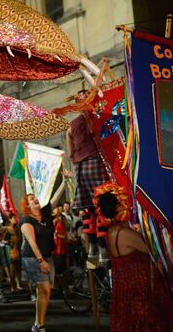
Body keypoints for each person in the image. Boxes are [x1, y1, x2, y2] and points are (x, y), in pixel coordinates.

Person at [93, 182, 173, 332]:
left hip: (128, 290)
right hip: (139, 290)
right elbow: (155, 251)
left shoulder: (113, 232)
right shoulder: (123, 233)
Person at [19, 172, 67, 332]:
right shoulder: (26, 221)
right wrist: (41, 261)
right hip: (33, 258)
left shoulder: (45, 214)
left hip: (47, 256)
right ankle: (40, 325)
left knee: (44, 292)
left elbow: (55, 199)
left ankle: (38, 323)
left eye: (35, 198)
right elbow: (32, 242)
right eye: (32, 199)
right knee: (44, 289)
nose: (36, 199)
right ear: (27, 206)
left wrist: (65, 181)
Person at [66, 94, 110, 263]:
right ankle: (103, 248)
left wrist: (74, 161)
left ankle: (92, 247)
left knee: (88, 207)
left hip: (80, 167)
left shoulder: (72, 125)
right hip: (94, 162)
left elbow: (70, 150)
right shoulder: (93, 118)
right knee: (101, 205)